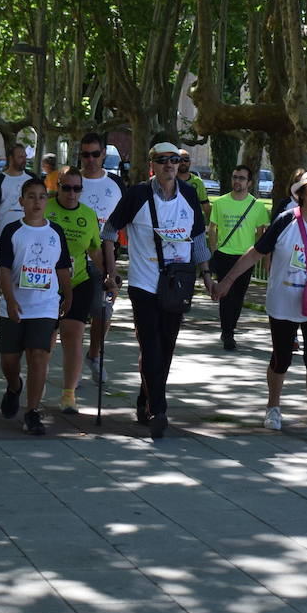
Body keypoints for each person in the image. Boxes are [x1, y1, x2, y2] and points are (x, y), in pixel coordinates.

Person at [213, 170, 307, 441]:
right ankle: (273, 407)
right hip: (284, 301)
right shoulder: (285, 221)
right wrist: (228, 280)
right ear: (300, 194)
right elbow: (256, 252)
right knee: (282, 358)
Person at [102, 141, 213, 439]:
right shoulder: (137, 194)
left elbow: (199, 238)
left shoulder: (189, 194)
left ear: (179, 164)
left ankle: (145, 400)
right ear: (152, 163)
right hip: (143, 283)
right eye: (162, 160)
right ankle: (159, 410)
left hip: (177, 284)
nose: (169, 165)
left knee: (165, 348)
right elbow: (110, 231)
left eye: (174, 160)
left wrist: (207, 275)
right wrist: (111, 273)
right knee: (150, 345)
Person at [0, 179, 73, 434]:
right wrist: (9, 300)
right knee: (9, 360)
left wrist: (68, 294)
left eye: (42, 196)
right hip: (15, 304)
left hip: (45, 305)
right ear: (21, 202)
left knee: (38, 356)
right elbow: (4, 270)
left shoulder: (56, 232)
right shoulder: (11, 231)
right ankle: (13, 386)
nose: (37, 201)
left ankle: (31, 411)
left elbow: (62, 268)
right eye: (31, 196)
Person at [46, 169, 105, 413]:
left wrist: (109, 276)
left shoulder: (89, 215)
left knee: (73, 334)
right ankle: (34, 389)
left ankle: (68, 395)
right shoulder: (46, 208)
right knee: (44, 343)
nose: (71, 193)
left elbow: (95, 250)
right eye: (66, 188)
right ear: (57, 187)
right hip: (45, 284)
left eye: (77, 189)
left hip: (79, 282)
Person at [76, 132, 127, 383]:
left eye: (95, 154)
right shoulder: (73, 181)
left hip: (106, 256)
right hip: (73, 258)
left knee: (104, 312)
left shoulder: (116, 184)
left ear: (104, 154)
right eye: (85, 154)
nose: (91, 159)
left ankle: (94, 356)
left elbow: (128, 221)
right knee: (71, 318)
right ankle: (68, 378)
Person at [208, 164, 270, 350]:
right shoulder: (220, 203)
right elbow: (212, 228)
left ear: (249, 183)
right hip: (224, 254)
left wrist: (259, 256)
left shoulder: (257, 206)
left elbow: (261, 233)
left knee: (238, 296)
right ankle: (227, 332)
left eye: (242, 178)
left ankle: (230, 327)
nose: (237, 181)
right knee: (225, 294)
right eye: (235, 177)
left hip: (245, 257)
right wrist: (214, 251)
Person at [0, 141, 33, 237]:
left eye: (25, 156)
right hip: (4, 234)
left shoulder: (32, 179)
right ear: (11, 158)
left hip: (27, 234)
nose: (24, 160)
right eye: (20, 157)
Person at [177, 147, 212, 221]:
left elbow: (205, 205)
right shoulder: (169, 181)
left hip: (194, 224)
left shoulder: (198, 182)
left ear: (190, 162)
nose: (183, 162)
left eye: (186, 159)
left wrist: (209, 225)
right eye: (179, 160)